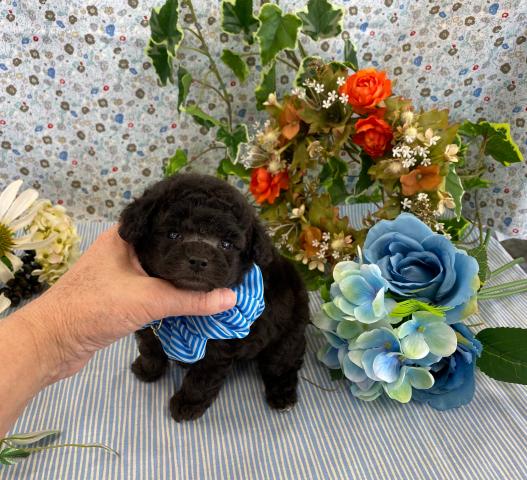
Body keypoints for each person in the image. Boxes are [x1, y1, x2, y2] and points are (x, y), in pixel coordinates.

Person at [0, 226, 236, 437]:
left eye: (225, 244)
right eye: (174, 234)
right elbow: (147, 329)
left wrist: (193, 399)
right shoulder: (139, 289)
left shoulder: (237, 312)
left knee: (215, 357)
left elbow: (218, 361)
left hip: (224, 339)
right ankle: (153, 364)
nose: (198, 257)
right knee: (150, 334)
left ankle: (194, 397)